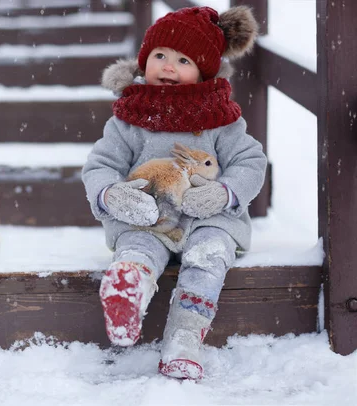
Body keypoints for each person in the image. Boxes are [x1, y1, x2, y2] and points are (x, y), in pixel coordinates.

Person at [81, 6, 267, 380]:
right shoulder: (129, 117)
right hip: (149, 216)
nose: (168, 66)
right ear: (144, 60)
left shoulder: (222, 118)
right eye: (159, 56)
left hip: (207, 218)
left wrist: (226, 194)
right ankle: (128, 287)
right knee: (138, 245)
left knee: (207, 257)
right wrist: (110, 195)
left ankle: (185, 337)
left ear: (204, 71)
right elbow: (100, 164)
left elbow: (251, 161)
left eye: (183, 60)